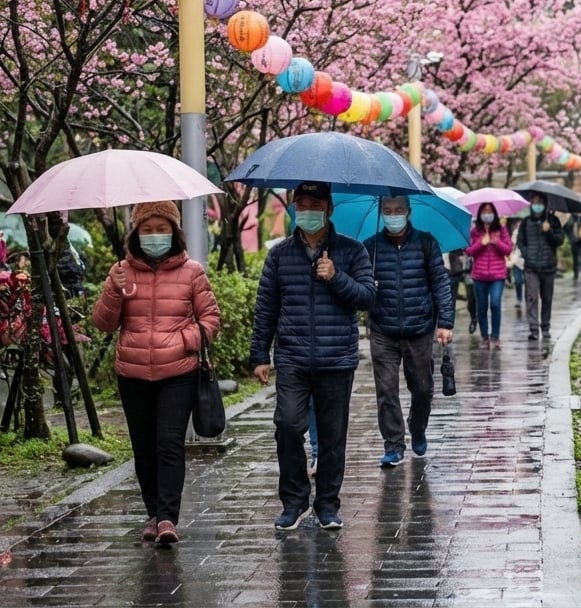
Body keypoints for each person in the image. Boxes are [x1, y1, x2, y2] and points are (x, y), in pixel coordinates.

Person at [91, 200, 220, 546]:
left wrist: (186, 340)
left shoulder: (192, 271)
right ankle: (152, 512)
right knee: (144, 447)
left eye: (162, 229)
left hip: (178, 372)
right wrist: (112, 288)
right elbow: (103, 324)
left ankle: (167, 519)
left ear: (174, 232)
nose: (154, 235)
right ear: (136, 233)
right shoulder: (121, 271)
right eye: (147, 229)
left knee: (168, 444)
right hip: (132, 374)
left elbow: (211, 319)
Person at [250, 181, 376, 532]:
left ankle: (327, 505)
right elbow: (266, 307)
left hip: (336, 358)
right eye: (300, 203)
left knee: (333, 438)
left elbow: (367, 298)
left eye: (314, 203)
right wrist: (260, 353)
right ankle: (294, 501)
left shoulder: (352, 252)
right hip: (292, 358)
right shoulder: (279, 255)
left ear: (328, 208)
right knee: (288, 426)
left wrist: (336, 277)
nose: (306, 209)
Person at [362, 194, 455, 465]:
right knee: (387, 389)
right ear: (381, 213)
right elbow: (359, 286)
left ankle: (417, 427)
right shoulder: (371, 247)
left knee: (423, 388)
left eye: (398, 210)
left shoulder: (426, 242)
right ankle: (393, 443)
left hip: (420, 327)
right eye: (388, 210)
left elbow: (440, 283)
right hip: (383, 328)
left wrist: (445, 323)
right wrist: (369, 288)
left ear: (408, 212)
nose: (393, 215)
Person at [465, 202, 512, 349]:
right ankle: (485, 337)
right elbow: (469, 251)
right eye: (484, 211)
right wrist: (481, 243)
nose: (487, 214)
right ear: (480, 214)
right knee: (482, 307)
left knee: (495, 304)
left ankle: (495, 336)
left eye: (490, 211)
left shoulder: (501, 229)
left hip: (498, 275)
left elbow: (508, 249)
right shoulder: (474, 232)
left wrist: (496, 242)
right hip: (479, 275)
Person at [516, 197, 564, 341]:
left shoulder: (553, 221)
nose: (537, 206)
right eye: (534, 203)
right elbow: (521, 241)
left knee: (547, 298)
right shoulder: (526, 222)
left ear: (545, 204)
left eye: (540, 203)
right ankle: (534, 329)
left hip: (548, 267)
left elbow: (560, 240)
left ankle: (545, 327)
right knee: (531, 297)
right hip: (531, 267)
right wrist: (527, 255)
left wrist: (549, 231)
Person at [564, 213, 581, 281]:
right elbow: (566, 229)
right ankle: (576, 274)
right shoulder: (570, 219)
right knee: (575, 259)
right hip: (574, 241)